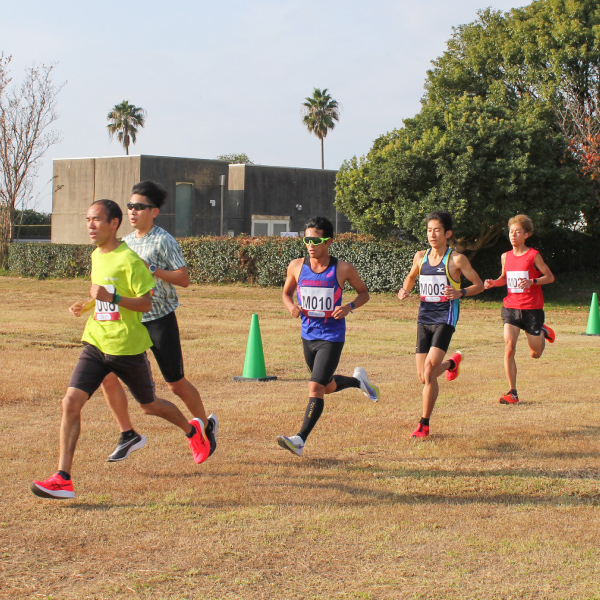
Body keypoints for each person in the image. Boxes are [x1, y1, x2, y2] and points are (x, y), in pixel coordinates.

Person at [30, 200, 210, 500]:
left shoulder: (130, 260)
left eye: (96, 220)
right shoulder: (95, 256)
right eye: (88, 219)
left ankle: (192, 432)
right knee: (70, 402)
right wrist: (86, 304)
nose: (90, 225)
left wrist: (111, 297)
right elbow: (101, 293)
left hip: (126, 346)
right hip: (96, 342)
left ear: (114, 223)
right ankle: (62, 478)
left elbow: (145, 303)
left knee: (149, 405)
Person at [99, 180, 217, 462]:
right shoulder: (124, 242)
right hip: (132, 321)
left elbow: (184, 279)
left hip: (160, 319)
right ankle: (127, 434)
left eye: (139, 207)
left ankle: (205, 426)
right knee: (109, 375)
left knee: (175, 384)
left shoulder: (163, 240)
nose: (132, 211)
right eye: (129, 206)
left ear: (154, 212)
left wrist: (152, 268)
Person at [277, 216, 379, 457]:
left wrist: (349, 307)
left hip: (331, 336)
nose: (310, 244)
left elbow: (364, 293)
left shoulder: (343, 268)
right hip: (308, 334)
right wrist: (291, 307)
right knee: (327, 386)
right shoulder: (296, 266)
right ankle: (358, 382)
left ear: (329, 241)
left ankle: (299, 440)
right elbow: (285, 294)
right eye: (307, 239)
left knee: (315, 387)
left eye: (316, 239)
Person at [398, 211, 484, 438]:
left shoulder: (457, 259)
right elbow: (411, 277)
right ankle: (451, 365)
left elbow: (479, 285)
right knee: (424, 376)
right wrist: (405, 289)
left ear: (448, 233)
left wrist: (460, 292)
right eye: (429, 230)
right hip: (424, 317)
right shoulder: (420, 257)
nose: (432, 234)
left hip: (445, 318)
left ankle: (423, 423)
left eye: (437, 230)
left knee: (428, 372)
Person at [484, 214, 555, 404]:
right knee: (509, 348)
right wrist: (493, 282)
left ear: (527, 234)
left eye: (518, 232)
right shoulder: (505, 256)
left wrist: (532, 281)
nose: (513, 235)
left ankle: (541, 331)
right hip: (511, 307)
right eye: (511, 232)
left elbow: (550, 277)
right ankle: (513, 393)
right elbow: (504, 279)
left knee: (535, 354)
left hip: (532, 310)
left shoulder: (534, 255)